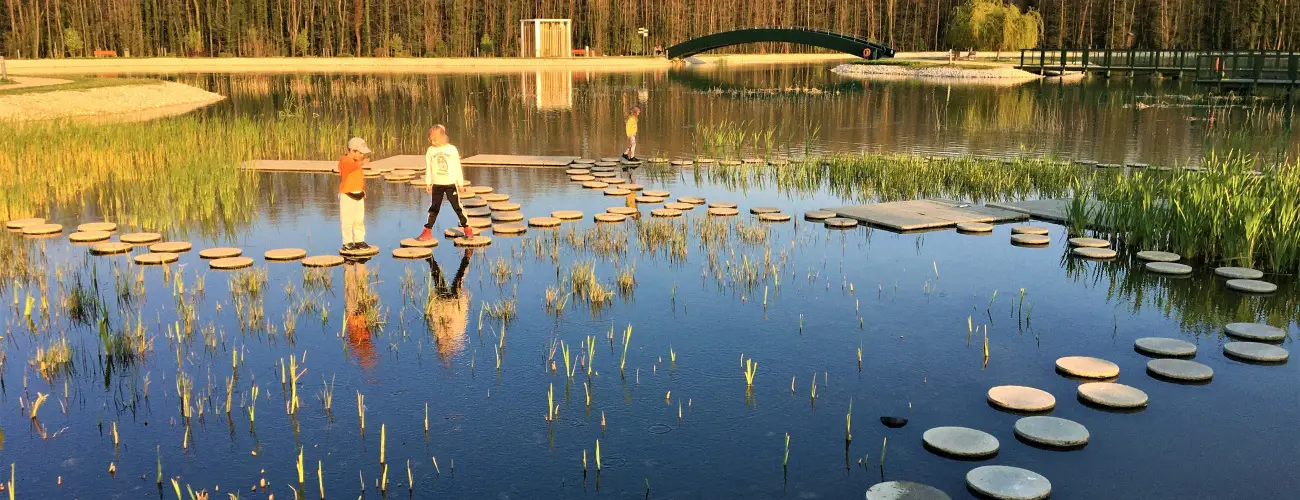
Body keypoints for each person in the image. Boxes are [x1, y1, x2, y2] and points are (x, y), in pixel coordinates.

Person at [417, 125, 472, 241]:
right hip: (437, 185)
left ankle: (467, 228)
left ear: (443, 137)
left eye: (435, 139)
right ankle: (427, 231)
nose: (433, 142)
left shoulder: (451, 149)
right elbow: (429, 168)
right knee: (434, 208)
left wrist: (460, 184)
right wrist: (428, 183)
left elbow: (457, 167)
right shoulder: (430, 151)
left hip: (451, 184)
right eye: (431, 140)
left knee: (457, 207)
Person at [426, 249, 472, 362]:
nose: (443, 344)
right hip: (446, 301)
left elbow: (461, 314)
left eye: (442, 347)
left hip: (451, 301)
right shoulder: (455, 333)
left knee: (450, 280)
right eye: (444, 348)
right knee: (449, 280)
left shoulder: (442, 333)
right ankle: (466, 258)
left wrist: (464, 298)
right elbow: (434, 315)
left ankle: (430, 259)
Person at [337, 137, 371, 252]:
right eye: (360, 153)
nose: (362, 155)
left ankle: (359, 240)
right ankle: (347, 242)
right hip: (347, 195)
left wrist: (362, 190)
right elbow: (350, 168)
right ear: (352, 151)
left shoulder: (357, 163)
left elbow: (359, 178)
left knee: (359, 219)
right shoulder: (344, 160)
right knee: (347, 220)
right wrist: (361, 163)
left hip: (358, 194)